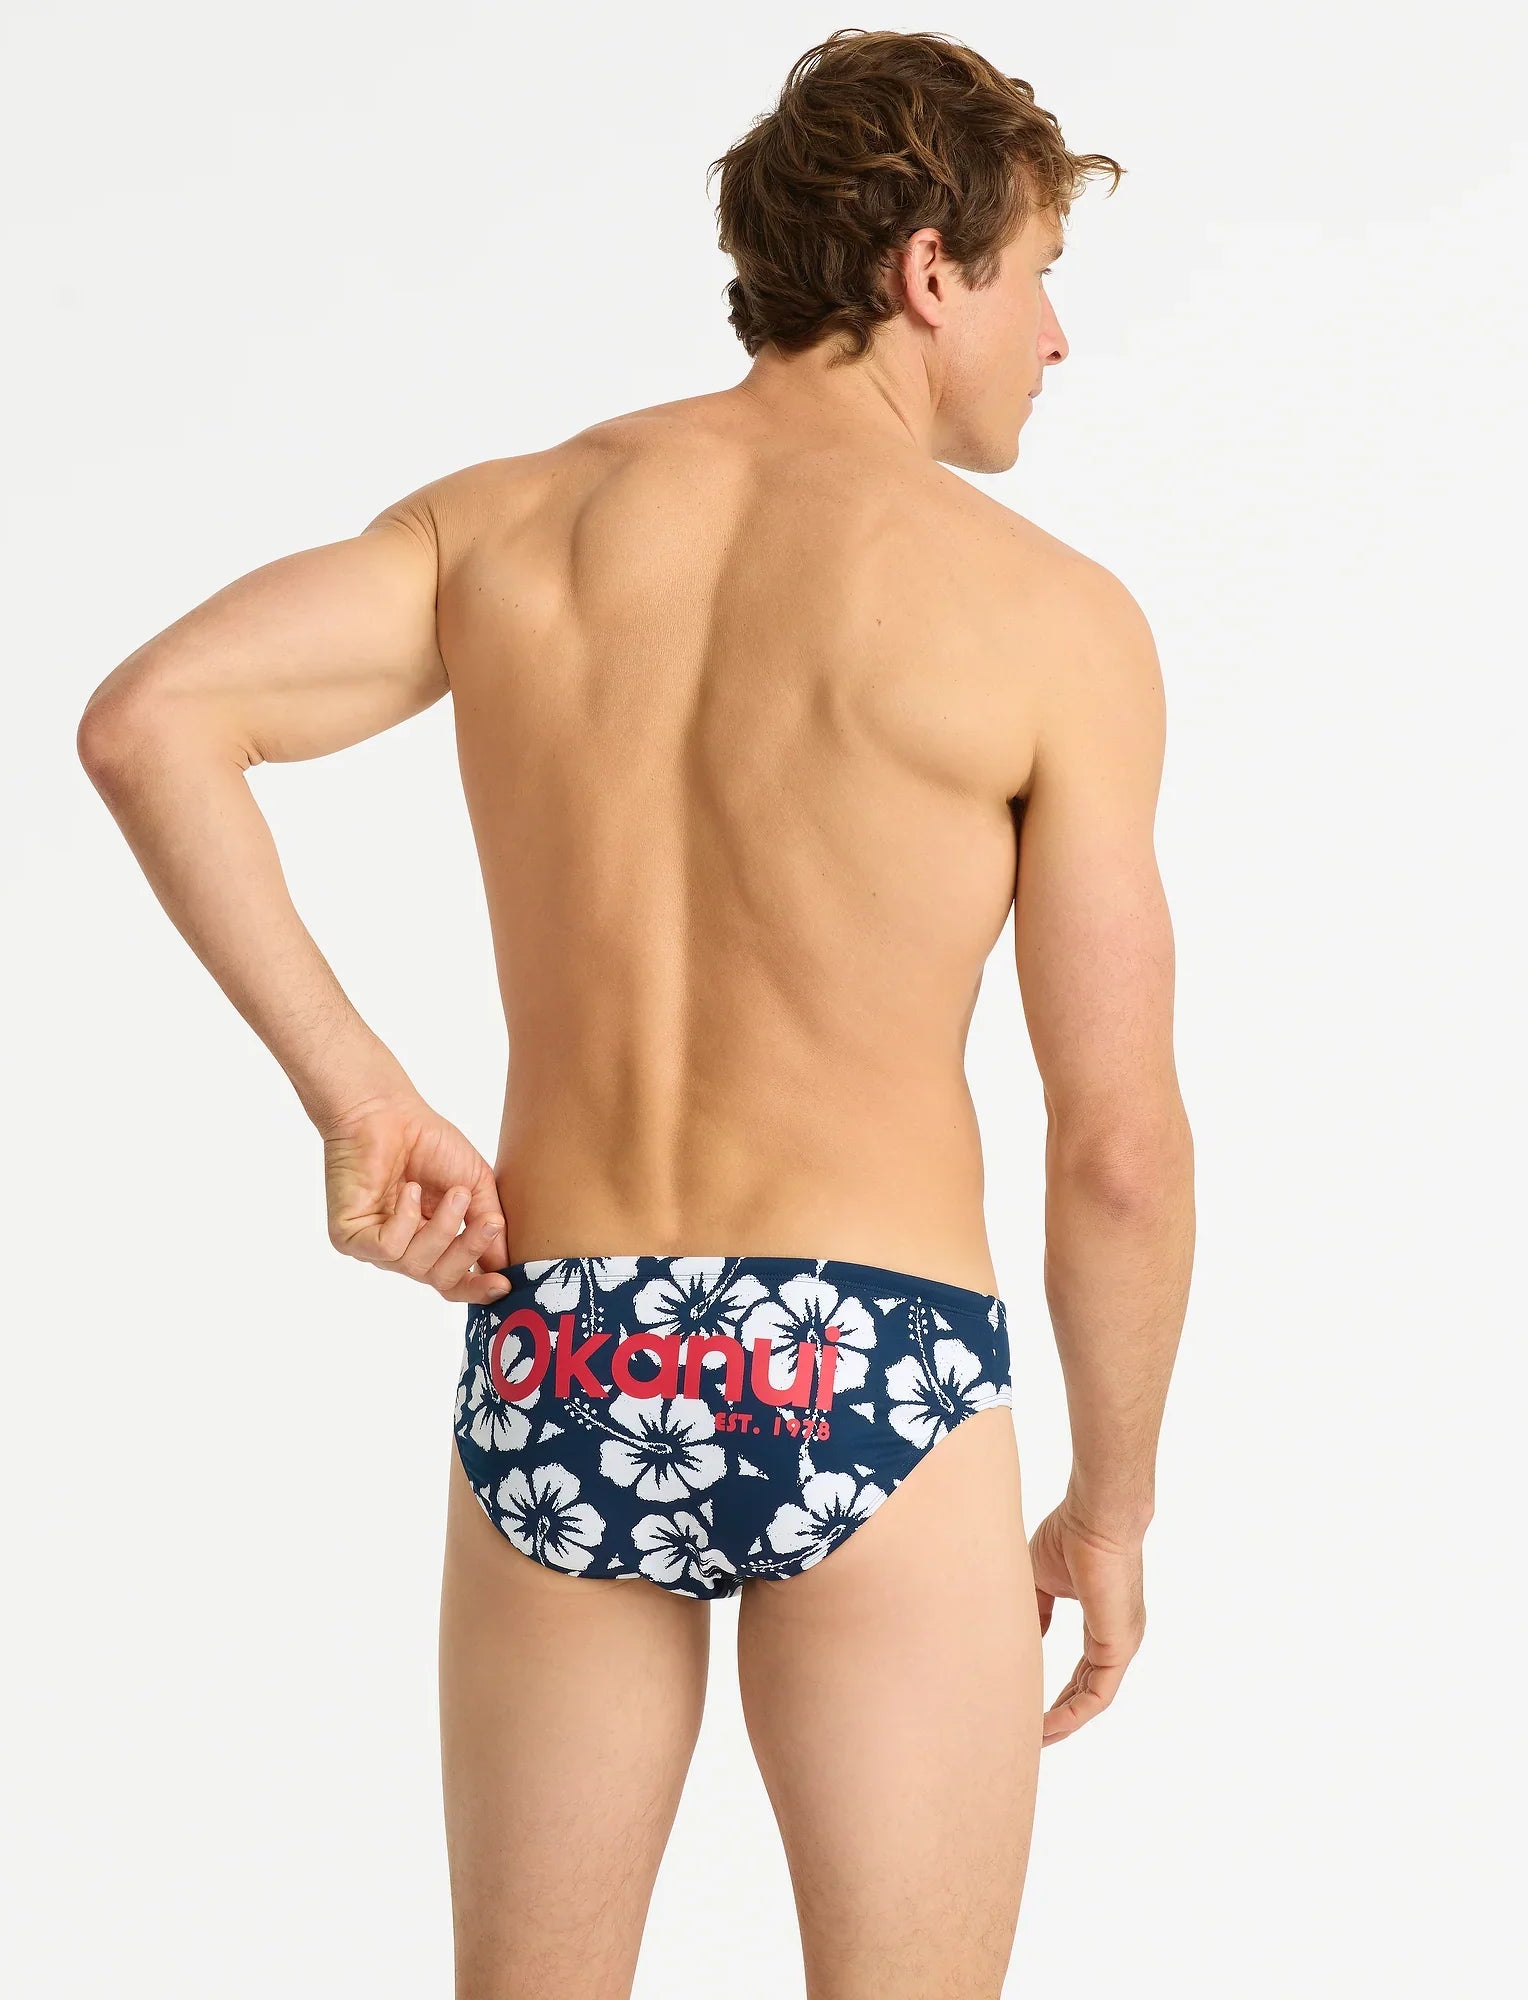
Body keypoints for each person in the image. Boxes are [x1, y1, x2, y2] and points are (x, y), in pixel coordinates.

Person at [77, 26, 1195, 1998]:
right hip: (869, 1366)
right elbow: (1112, 1146)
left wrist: (362, 1098)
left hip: (566, 1349)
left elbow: (152, 720)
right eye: (1036, 275)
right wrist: (1107, 1508)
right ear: (929, 270)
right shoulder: (1047, 617)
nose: (1053, 338)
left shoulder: (511, 524)